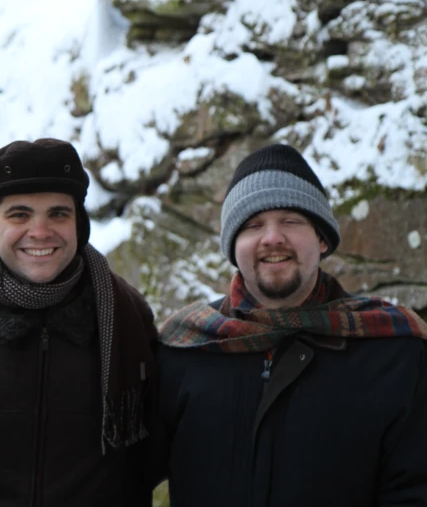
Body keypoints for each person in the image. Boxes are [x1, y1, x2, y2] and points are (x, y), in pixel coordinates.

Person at [155, 144, 427, 506]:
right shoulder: (185, 349)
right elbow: (116, 474)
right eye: (253, 225)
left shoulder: (393, 352)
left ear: (322, 238)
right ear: (234, 246)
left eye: (291, 220)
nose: (272, 238)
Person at [0, 138, 157, 506]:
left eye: (58, 214)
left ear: (79, 223)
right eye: (19, 215)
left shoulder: (125, 312)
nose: (40, 232)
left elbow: (151, 449)